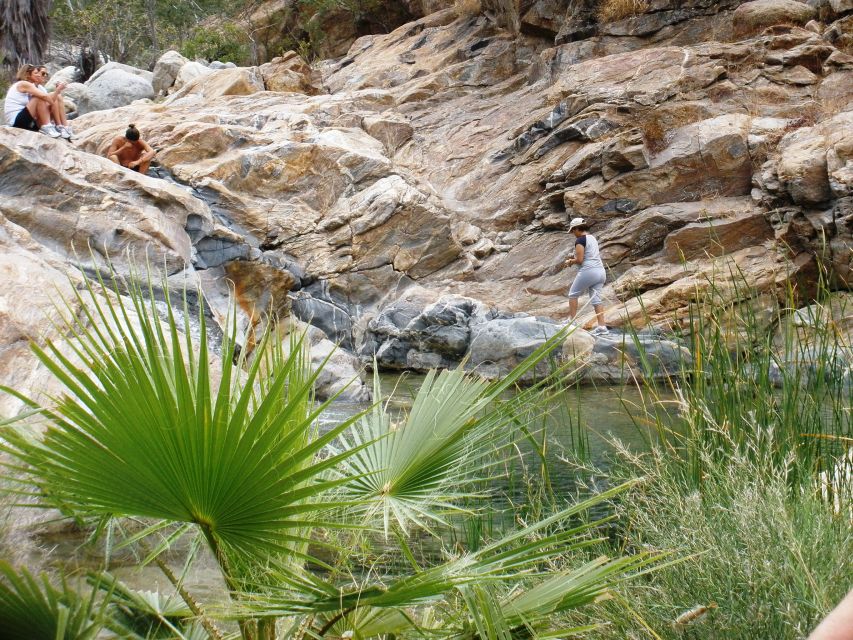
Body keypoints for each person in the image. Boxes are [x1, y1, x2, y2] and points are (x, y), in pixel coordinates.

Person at [564, 216, 609, 336]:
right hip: (601, 271)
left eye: (573, 230)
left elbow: (579, 260)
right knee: (596, 299)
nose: (573, 233)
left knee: (573, 294)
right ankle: (602, 327)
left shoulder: (580, 240)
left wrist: (570, 261)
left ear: (577, 228)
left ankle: (572, 321)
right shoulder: (592, 238)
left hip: (589, 270)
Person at [3, 63, 72, 139]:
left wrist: (56, 95)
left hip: (29, 121)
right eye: (36, 73)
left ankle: (62, 127)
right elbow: (44, 97)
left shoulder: (36, 87)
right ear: (27, 74)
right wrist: (57, 92)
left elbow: (47, 101)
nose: (39, 75)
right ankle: (47, 126)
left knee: (55, 96)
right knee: (38, 98)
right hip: (16, 122)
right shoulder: (23, 84)